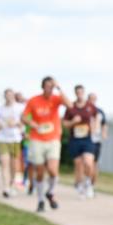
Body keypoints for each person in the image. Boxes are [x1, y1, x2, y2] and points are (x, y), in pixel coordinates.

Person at [22, 77, 73, 212]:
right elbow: (24, 117)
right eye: (48, 86)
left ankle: (50, 192)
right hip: (37, 139)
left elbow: (70, 105)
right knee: (40, 172)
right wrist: (31, 123)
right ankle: (40, 200)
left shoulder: (56, 98)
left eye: (52, 86)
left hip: (53, 139)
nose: (50, 88)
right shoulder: (34, 100)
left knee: (53, 170)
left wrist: (59, 88)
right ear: (43, 87)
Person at [63, 85, 98, 199]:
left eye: (81, 92)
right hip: (75, 139)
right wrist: (73, 122)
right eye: (77, 92)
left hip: (87, 138)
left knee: (89, 162)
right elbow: (65, 123)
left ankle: (89, 184)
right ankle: (81, 186)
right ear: (75, 93)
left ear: (83, 93)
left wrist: (95, 129)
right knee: (78, 164)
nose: (79, 94)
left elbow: (96, 116)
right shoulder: (71, 107)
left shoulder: (90, 106)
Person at [0, 89, 25, 198]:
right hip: (3, 138)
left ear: (13, 96)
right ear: (4, 96)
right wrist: (0, 124)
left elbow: (24, 121)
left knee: (13, 164)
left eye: (11, 95)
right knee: (4, 163)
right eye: (7, 95)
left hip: (15, 138)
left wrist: (17, 123)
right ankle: (6, 187)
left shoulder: (19, 108)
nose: (9, 97)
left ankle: (12, 184)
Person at [88, 92, 108, 185]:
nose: (93, 101)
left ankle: (93, 184)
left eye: (94, 99)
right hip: (87, 140)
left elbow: (104, 124)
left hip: (97, 140)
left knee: (95, 163)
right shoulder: (86, 110)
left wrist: (104, 134)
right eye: (91, 98)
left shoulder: (100, 111)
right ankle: (87, 182)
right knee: (88, 162)